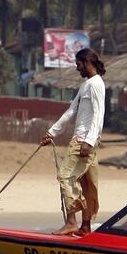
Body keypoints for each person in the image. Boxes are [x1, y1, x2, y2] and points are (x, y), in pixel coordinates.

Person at [41, 48, 106, 236]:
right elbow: (71, 111)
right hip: (86, 139)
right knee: (87, 184)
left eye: (78, 64)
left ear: (87, 62)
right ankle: (85, 227)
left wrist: (89, 141)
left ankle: (71, 222)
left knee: (65, 176)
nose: (77, 69)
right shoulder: (87, 84)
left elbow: (98, 114)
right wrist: (52, 132)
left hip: (83, 140)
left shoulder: (95, 84)